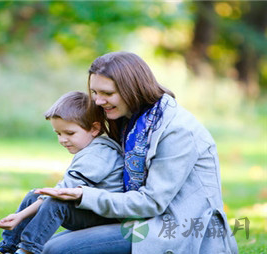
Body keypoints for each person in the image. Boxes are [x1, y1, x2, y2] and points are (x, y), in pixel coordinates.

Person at [36, 52, 239, 254]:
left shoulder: (177, 130)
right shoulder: (132, 122)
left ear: (132, 89)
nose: (97, 101)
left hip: (175, 230)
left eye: (107, 93)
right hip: (140, 222)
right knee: (45, 245)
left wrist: (85, 195)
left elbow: (152, 202)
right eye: (94, 92)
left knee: (57, 249)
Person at [0, 91, 125, 254]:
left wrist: (20, 216)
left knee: (55, 203)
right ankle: (8, 246)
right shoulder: (91, 149)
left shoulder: (99, 153)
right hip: (89, 208)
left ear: (94, 128)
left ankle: (27, 251)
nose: (62, 139)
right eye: (58, 133)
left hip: (105, 215)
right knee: (34, 196)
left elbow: (64, 191)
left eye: (69, 133)